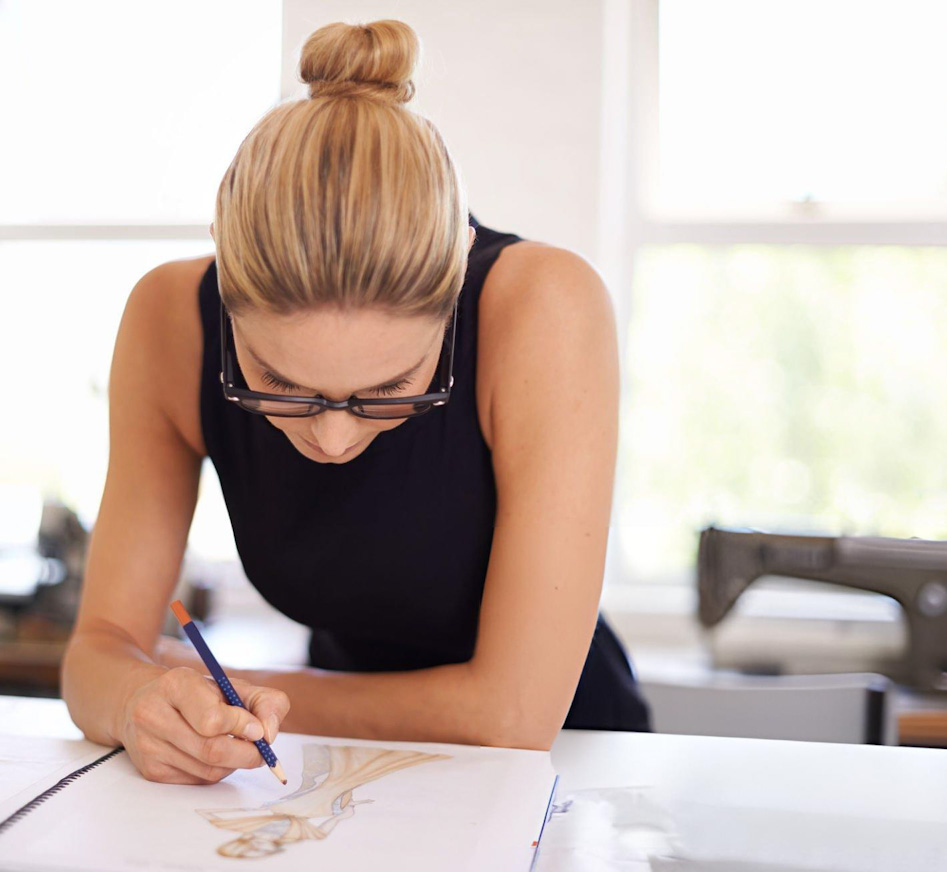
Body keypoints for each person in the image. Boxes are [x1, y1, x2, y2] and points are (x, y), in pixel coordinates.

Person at [61, 18, 650, 786]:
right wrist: (143, 699)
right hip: (332, 763)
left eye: (390, 392)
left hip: (568, 768)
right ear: (225, 286)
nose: (334, 438)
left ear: (457, 278)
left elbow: (512, 718)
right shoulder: (169, 319)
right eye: (278, 384)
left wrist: (215, 688)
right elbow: (96, 652)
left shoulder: (544, 306)